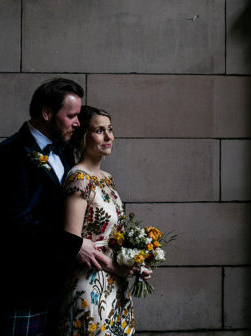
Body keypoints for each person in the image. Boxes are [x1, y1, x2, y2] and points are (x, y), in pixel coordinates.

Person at [0, 78, 112, 335]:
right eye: (72, 115)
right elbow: (17, 223)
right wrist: (74, 245)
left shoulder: (65, 151)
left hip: (62, 283)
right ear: (47, 113)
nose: (78, 123)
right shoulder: (8, 155)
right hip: (23, 286)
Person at [59, 106, 151, 335]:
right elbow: (72, 242)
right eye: (99, 131)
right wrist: (117, 268)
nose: (109, 136)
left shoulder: (106, 178)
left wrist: (135, 264)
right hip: (90, 286)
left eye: (110, 129)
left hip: (116, 285)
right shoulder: (79, 178)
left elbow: (112, 235)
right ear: (82, 136)